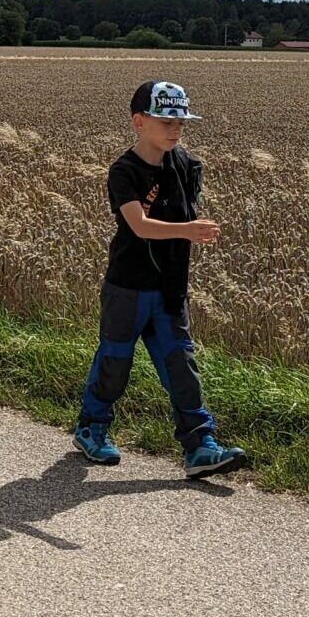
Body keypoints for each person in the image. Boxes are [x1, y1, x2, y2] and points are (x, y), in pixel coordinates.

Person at [73, 81, 245, 479]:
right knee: (115, 361)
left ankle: (201, 445)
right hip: (128, 287)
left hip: (169, 287)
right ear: (138, 121)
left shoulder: (185, 164)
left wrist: (187, 232)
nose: (175, 128)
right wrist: (187, 230)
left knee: (181, 364)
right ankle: (91, 427)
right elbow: (139, 226)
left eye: (181, 120)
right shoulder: (124, 171)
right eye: (166, 119)